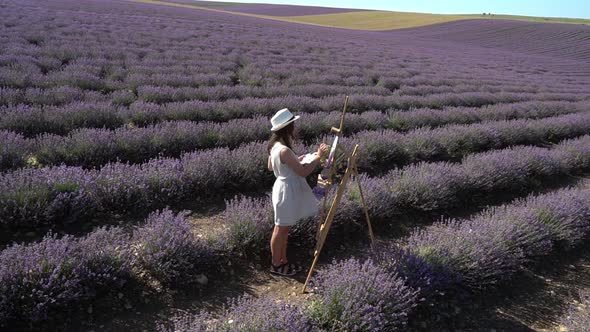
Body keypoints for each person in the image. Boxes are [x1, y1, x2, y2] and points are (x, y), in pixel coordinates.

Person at [267, 108, 329, 276]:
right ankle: (276, 265)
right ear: (287, 127)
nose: (294, 127)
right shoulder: (284, 150)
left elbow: (271, 166)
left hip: (281, 187)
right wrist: (318, 157)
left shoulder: (275, 146)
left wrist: (296, 160)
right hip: (287, 191)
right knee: (280, 228)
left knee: (283, 228)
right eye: (292, 124)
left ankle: (283, 261)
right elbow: (303, 172)